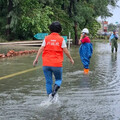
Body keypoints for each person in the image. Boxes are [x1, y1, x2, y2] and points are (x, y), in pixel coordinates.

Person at [33, 21, 74, 99]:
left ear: (50, 29)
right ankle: (55, 90)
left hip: (46, 64)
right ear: (60, 30)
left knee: (48, 82)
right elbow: (66, 51)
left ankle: (49, 97)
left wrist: (36, 59)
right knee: (58, 79)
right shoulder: (61, 39)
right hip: (57, 64)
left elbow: (41, 48)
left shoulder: (46, 38)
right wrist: (71, 59)